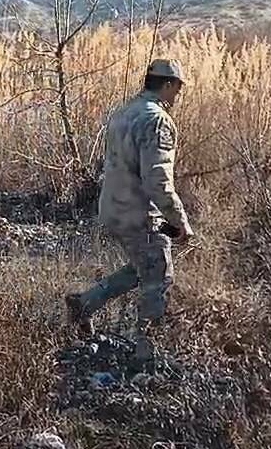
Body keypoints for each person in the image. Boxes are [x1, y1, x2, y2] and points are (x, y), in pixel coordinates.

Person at [66, 59, 193, 354]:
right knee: (159, 275)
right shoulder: (157, 120)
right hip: (142, 216)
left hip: (113, 209)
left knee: (142, 267)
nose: (178, 95)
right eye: (178, 88)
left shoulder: (123, 112)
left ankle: (84, 304)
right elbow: (158, 180)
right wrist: (180, 222)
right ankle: (147, 356)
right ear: (168, 85)